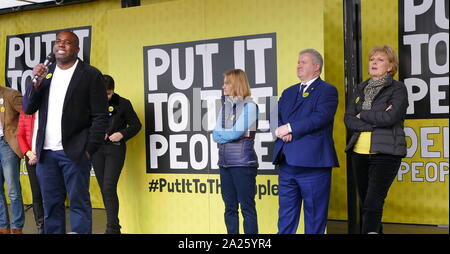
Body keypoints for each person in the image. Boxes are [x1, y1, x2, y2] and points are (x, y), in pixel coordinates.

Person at [23, 30, 108, 234]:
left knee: (78, 203)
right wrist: (35, 82)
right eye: (58, 41)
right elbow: (28, 108)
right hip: (46, 153)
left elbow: (100, 116)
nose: (61, 45)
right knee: (51, 205)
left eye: (68, 42)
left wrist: (89, 149)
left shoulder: (90, 74)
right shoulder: (46, 73)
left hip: (75, 151)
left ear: (77, 49)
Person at [273, 49, 339, 234]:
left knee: (314, 218)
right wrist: (281, 130)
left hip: (313, 165)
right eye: (298, 62)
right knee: (285, 217)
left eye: (304, 62)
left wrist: (291, 127)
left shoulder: (327, 90)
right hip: (287, 162)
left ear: (316, 67)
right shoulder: (289, 92)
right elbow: (276, 115)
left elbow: (321, 117)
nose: (298, 65)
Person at [344, 45, 408, 234]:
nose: (374, 62)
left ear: (390, 66)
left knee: (373, 202)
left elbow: (390, 118)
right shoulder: (361, 88)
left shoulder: (398, 89)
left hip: (386, 153)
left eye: (380, 59)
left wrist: (362, 115)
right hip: (358, 153)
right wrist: (374, 117)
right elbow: (348, 119)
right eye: (372, 59)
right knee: (366, 203)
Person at [92, 75, 141, 234]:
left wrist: (122, 133)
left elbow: (136, 125)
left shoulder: (123, 103)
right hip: (97, 150)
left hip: (115, 148)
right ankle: (115, 227)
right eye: (103, 94)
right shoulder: (91, 103)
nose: (106, 97)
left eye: (109, 94)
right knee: (103, 188)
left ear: (113, 90)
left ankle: (111, 228)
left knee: (108, 186)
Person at [212, 69, 259, 234]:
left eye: (226, 83)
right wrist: (226, 134)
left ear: (236, 84)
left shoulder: (250, 106)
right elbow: (214, 135)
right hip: (224, 164)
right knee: (229, 208)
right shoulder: (225, 107)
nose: (223, 86)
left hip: (243, 165)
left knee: (247, 208)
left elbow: (235, 133)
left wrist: (224, 134)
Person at [0, 86, 24, 234]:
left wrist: (17, 134)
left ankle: (17, 226)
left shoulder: (11, 94)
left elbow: (28, 114)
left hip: (7, 145)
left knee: (13, 190)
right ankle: (3, 225)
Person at [17, 110, 44, 234]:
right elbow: (20, 135)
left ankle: (54, 225)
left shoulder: (49, 107)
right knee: (36, 193)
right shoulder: (25, 111)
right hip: (31, 157)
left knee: (53, 193)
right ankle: (41, 227)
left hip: (47, 156)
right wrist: (28, 153)